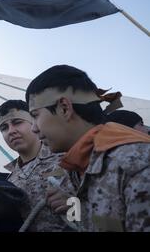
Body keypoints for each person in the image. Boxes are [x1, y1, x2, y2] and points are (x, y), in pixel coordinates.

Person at [26, 64, 150, 231]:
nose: (33, 128)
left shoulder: (136, 164)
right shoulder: (76, 169)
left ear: (64, 108)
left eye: (35, 115)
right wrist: (76, 209)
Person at [0, 100, 75, 231]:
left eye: (17, 122)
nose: (11, 131)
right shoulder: (10, 182)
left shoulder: (67, 158)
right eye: (4, 128)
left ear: (34, 122)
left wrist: (75, 206)